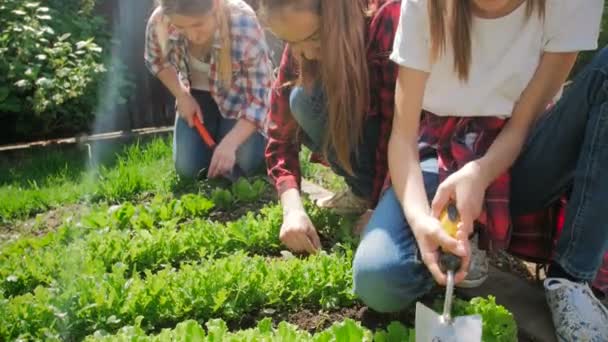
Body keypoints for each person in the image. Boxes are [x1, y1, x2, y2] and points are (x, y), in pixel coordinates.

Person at [352, 0, 608, 339]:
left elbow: (521, 126)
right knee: (379, 281)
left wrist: (480, 173)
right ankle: (457, 243)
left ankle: (571, 277)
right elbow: (402, 137)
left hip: (525, 154)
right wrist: (420, 220)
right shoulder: (425, 6)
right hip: (442, 147)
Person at [260, 0, 401, 254]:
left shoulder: (386, 20)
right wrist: (292, 209)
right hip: (365, 142)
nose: (306, 54)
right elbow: (279, 135)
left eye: (314, 38)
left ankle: (373, 194)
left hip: (401, 149)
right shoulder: (300, 40)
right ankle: (362, 189)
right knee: (301, 100)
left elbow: (396, 130)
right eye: (291, 42)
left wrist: (379, 206)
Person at [145, 0, 272, 180]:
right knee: (188, 170)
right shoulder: (160, 20)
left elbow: (260, 98)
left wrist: (230, 143)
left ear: (215, 5)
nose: (191, 35)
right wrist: (181, 95)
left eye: (198, 24)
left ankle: (264, 138)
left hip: (240, 102)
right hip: (197, 97)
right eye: (181, 26)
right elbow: (156, 60)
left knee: (242, 164)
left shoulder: (242, 22)